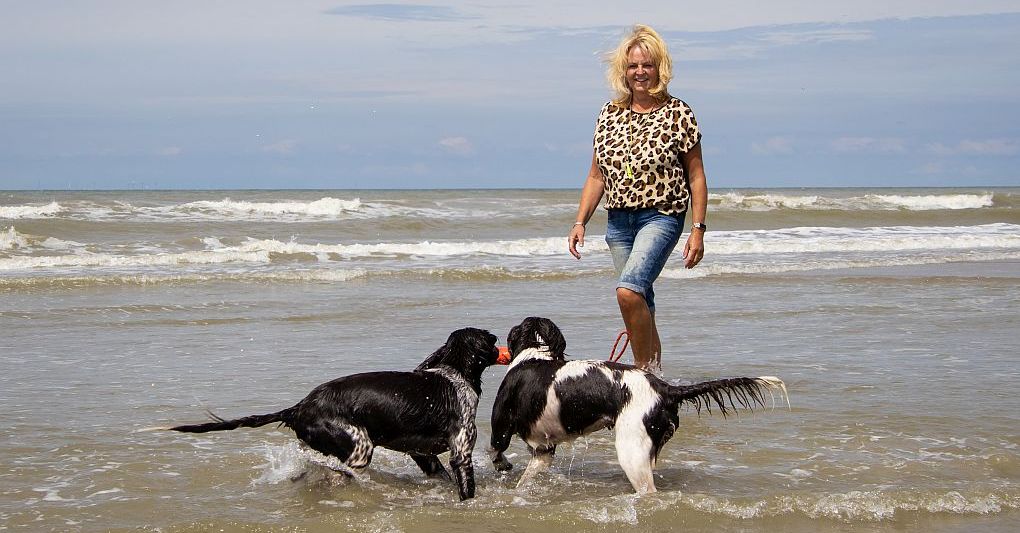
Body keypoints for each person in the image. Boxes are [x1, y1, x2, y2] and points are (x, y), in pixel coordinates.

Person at [568, 24, 708, 372]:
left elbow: (696, 176)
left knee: (628, 292)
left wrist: (698, 229)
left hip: (661, 217)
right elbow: (596, 175)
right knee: (642, 301)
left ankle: (642, 374)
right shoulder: (608, 114)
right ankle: (658, 382)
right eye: (633, 66)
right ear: (624, 71)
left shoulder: (678, 113)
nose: (640, 72)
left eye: (647, 65)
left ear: (660, 68)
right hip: (618, 223)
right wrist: (579, 221)